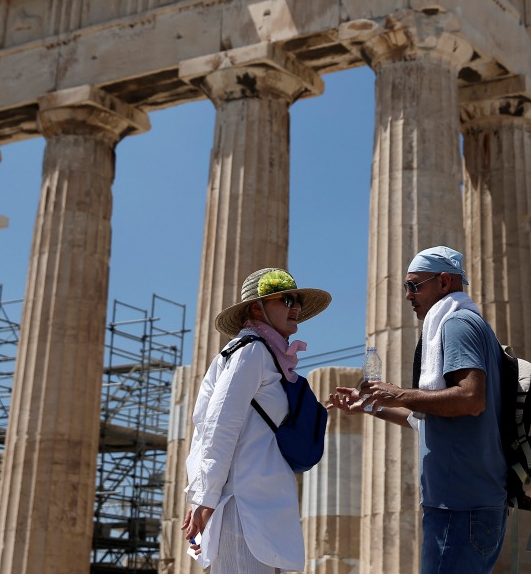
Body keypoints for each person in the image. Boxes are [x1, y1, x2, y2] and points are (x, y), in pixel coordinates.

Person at [328, 246, 508, 574]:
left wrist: (398, 393)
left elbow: (470, 399)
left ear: (443, 282)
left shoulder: (456, 324)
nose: (408, 296)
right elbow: (426, 420)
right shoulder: (466, 322)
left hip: (459, 505)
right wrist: (372, 405)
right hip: (468, 503)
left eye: (414, 286)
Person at [182, 267, 331, 573]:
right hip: (245, 508)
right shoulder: (250, 351)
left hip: (266, 507)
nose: (296, 308)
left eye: (298, 300)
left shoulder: (268, 356)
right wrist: (205, 497)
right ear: (256, 307)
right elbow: (218, 426)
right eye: (286, 299)